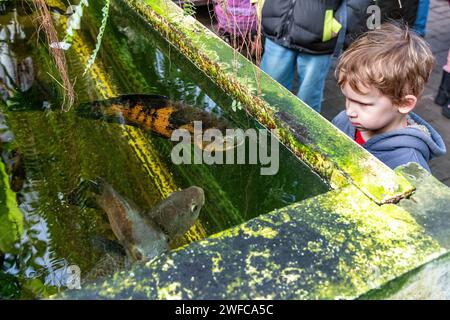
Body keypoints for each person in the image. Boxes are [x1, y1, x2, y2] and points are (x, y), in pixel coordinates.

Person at [332, 23, 446, 172]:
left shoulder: (409, 165)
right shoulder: (342, 121)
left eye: (364, 104)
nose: (350, 112)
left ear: (404, 103)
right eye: (348, 98)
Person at [259, 0, 372, 113]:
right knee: (268, 94)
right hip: (277, 26)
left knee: (307, 104)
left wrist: (337, 24)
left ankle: (301, 130)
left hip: (318, 41)